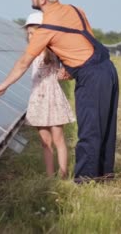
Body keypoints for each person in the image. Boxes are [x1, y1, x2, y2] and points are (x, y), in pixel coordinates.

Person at [0, 0, 119, 182]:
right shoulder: (76, 10)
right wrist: (71, 66)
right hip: (107, 68)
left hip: (91, 75)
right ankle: (104, 175)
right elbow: (85, 42)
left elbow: (23, 62)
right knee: (106, 125)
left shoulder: (46, 29)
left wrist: (3, 85)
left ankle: (85, 181)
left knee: (90, 128)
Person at [22, 11, 75, 178]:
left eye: (34, 33)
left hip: (53, 99)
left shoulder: (52, 51)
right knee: (45, 142)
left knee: (58, 139)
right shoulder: (30, 52)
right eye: (29, 34)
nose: (31, 37)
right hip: (38, 99)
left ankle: (63, 173)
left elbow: (68, 64)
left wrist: (65, 71)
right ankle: (50, 175)